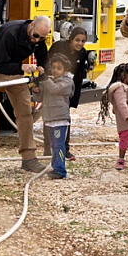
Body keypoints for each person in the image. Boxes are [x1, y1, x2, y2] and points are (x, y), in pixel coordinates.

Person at [0, 16, 51, 177]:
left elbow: (44, 59)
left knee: (25, 111)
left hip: (15, 68)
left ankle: (29, 158)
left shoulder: (39, 39)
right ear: (31, 25)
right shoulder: (10, 33)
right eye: (35, 36)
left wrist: (45, 72)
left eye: (41, 38)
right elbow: (0, 65)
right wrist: (22, 67)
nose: (36, 40)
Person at [47, 27, 89, 159]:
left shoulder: (82, 53)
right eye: (77, 40)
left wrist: (74, 96)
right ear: (71, 39)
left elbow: (79, 75)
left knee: (65, 119)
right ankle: (48, 149)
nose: (80, 43)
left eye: (83, 41)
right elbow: (47, 63)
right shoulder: (59, 46)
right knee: (48, 118)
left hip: (66, 89)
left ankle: (65, 148)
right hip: (53, 86)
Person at [98, 63, 128, 171]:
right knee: (125, 140)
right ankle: (121, 159)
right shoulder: (120, 88)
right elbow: (121, 103)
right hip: (126, 122)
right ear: (123, 75)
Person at [38, 53, 74, 180]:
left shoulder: (67, 81)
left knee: (59, 145)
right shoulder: (50, 81)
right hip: (49, 119)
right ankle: (55, 167)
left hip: (60, 120)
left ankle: (60, 170)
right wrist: (36, 88)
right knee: (53, 145)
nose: (55, 70)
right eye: (53, 67)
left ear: (65, 69)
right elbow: (39, 97)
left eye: (59, 68)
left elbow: (54, 89)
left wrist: (43, 78)